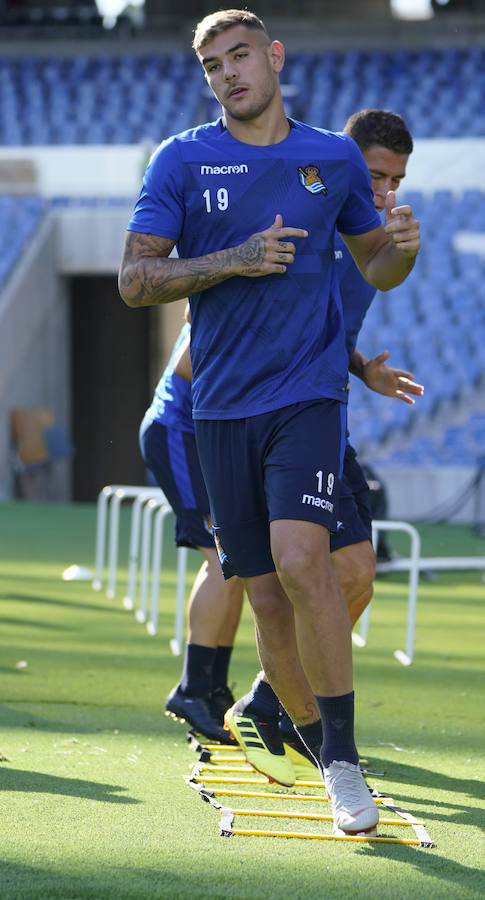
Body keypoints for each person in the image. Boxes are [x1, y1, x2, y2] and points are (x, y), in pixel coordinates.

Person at [119, 10, 420, 837]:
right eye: (212, 64)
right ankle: (319, 753)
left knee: (304, 563)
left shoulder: (329, 157)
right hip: (217, 408)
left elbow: (377, 269)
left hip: (306, 401)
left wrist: (404, 247)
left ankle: (348, 764)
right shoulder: (180, 159)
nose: (227, 73)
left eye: (240, 55)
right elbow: (134, 280)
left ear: (274, 56)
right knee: (266, 600)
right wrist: (233, 259)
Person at [224, 108, 424, 785]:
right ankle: (276, 709)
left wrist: (362, 365)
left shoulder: (373, 239)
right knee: (298, 577)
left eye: (395, 180)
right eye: (373, 175)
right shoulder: (301, 214)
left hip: (322, 410)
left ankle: (269, 697)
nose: (383, 193)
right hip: (270, 413)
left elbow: (330, 323)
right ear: (340, 165)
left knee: (355, 574)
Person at [139, 308, 244, 744]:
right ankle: (191, 689)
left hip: (199, 437)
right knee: (222, 562)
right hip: (179, 432)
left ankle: (214, 688)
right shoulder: (233, 285)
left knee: (238, 563)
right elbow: (188, 362)